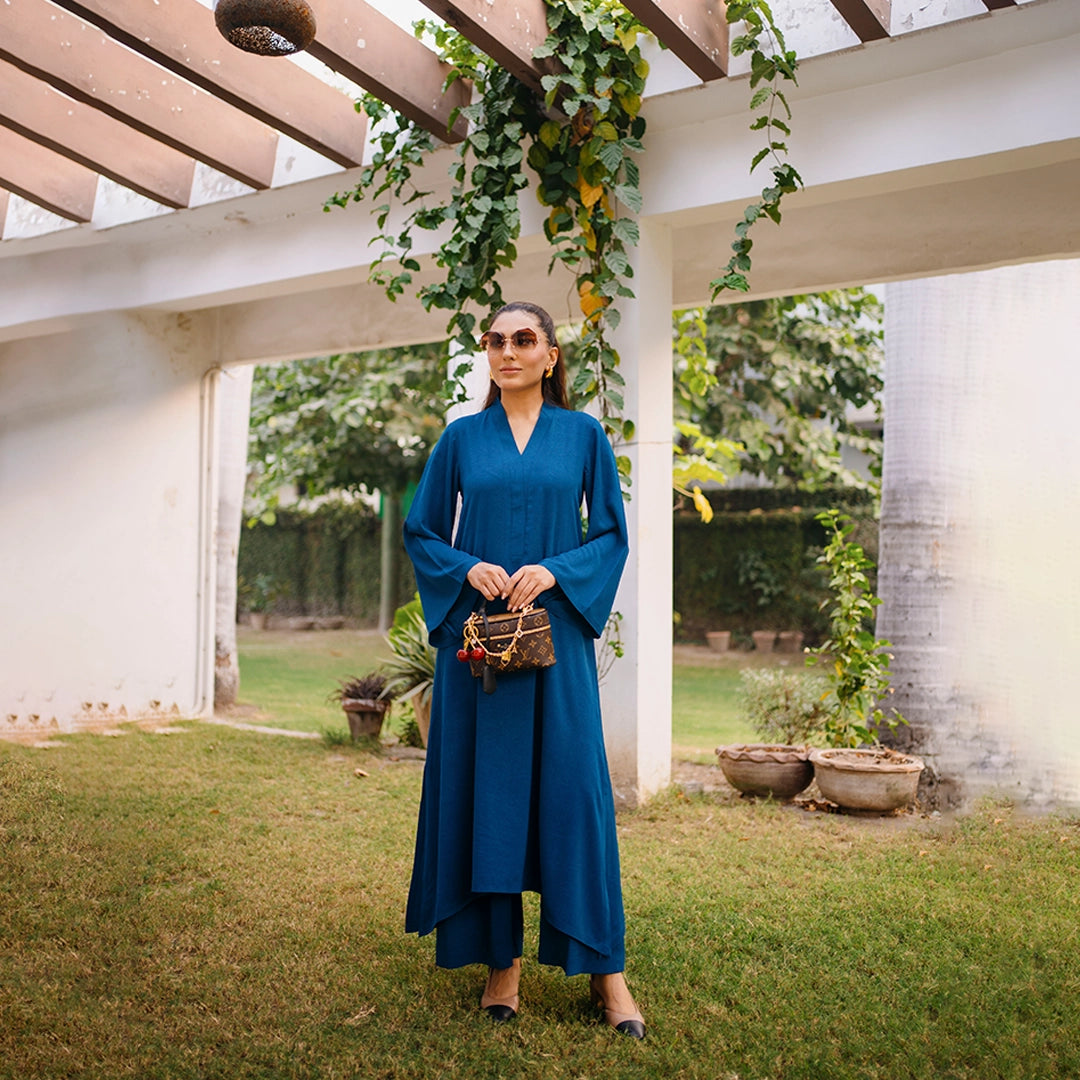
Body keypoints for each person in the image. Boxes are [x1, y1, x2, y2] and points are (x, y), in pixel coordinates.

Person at [401, 300, 645, 1037]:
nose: (507, 351)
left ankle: (608, 974)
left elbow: (609, 534)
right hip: (481, 649)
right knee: (492, 796)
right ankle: (500, 965)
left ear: (550, 356)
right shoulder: (461, 440)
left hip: (555, 646)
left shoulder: (583, 436)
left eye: (524, 339)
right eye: (496, 340)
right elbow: (422, 530)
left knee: (574, 798)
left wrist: (554, 570)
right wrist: (467, 565)